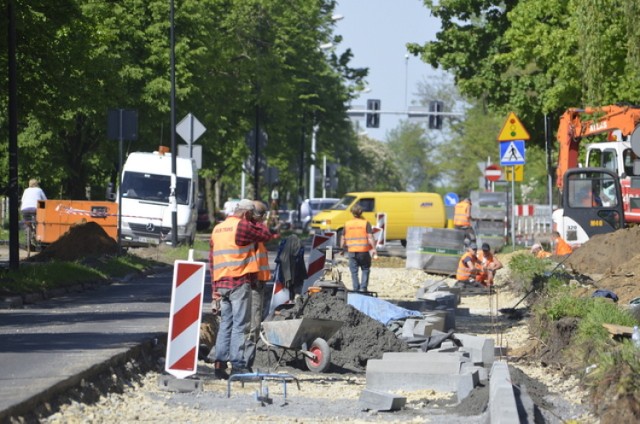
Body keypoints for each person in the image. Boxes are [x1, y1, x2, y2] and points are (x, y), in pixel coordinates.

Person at [208, 199, 274, 379]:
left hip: (221, 283)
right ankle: (237, 365)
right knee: (240, 325)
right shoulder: (242, 226)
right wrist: (255, 221)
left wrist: (214, 289)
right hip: (238, 282)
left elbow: (212, 262)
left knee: (225, 325)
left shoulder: (218, 229)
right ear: (246, 214)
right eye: (251, 216)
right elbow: (266, 234)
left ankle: (220, 364)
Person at [243, 200, 279, 370]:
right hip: (253, 283)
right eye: (262, 215)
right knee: (252, 324)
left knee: (242, 322)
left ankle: (227, 356)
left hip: (256, 281)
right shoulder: (252, 231)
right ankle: (244, 362)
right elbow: (266, 235)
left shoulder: (249, 230)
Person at [341, 204, 377, 292]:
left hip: (352, 251)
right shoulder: (365, 223)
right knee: (365, 269)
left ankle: (356, 288)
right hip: (364, 251)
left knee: (354, 271)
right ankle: (363, 288)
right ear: (361, 213)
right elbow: (370, 237)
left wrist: (342, 249)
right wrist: (374, 249)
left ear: (352, 213)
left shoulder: (347, 224)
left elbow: (343, 238)